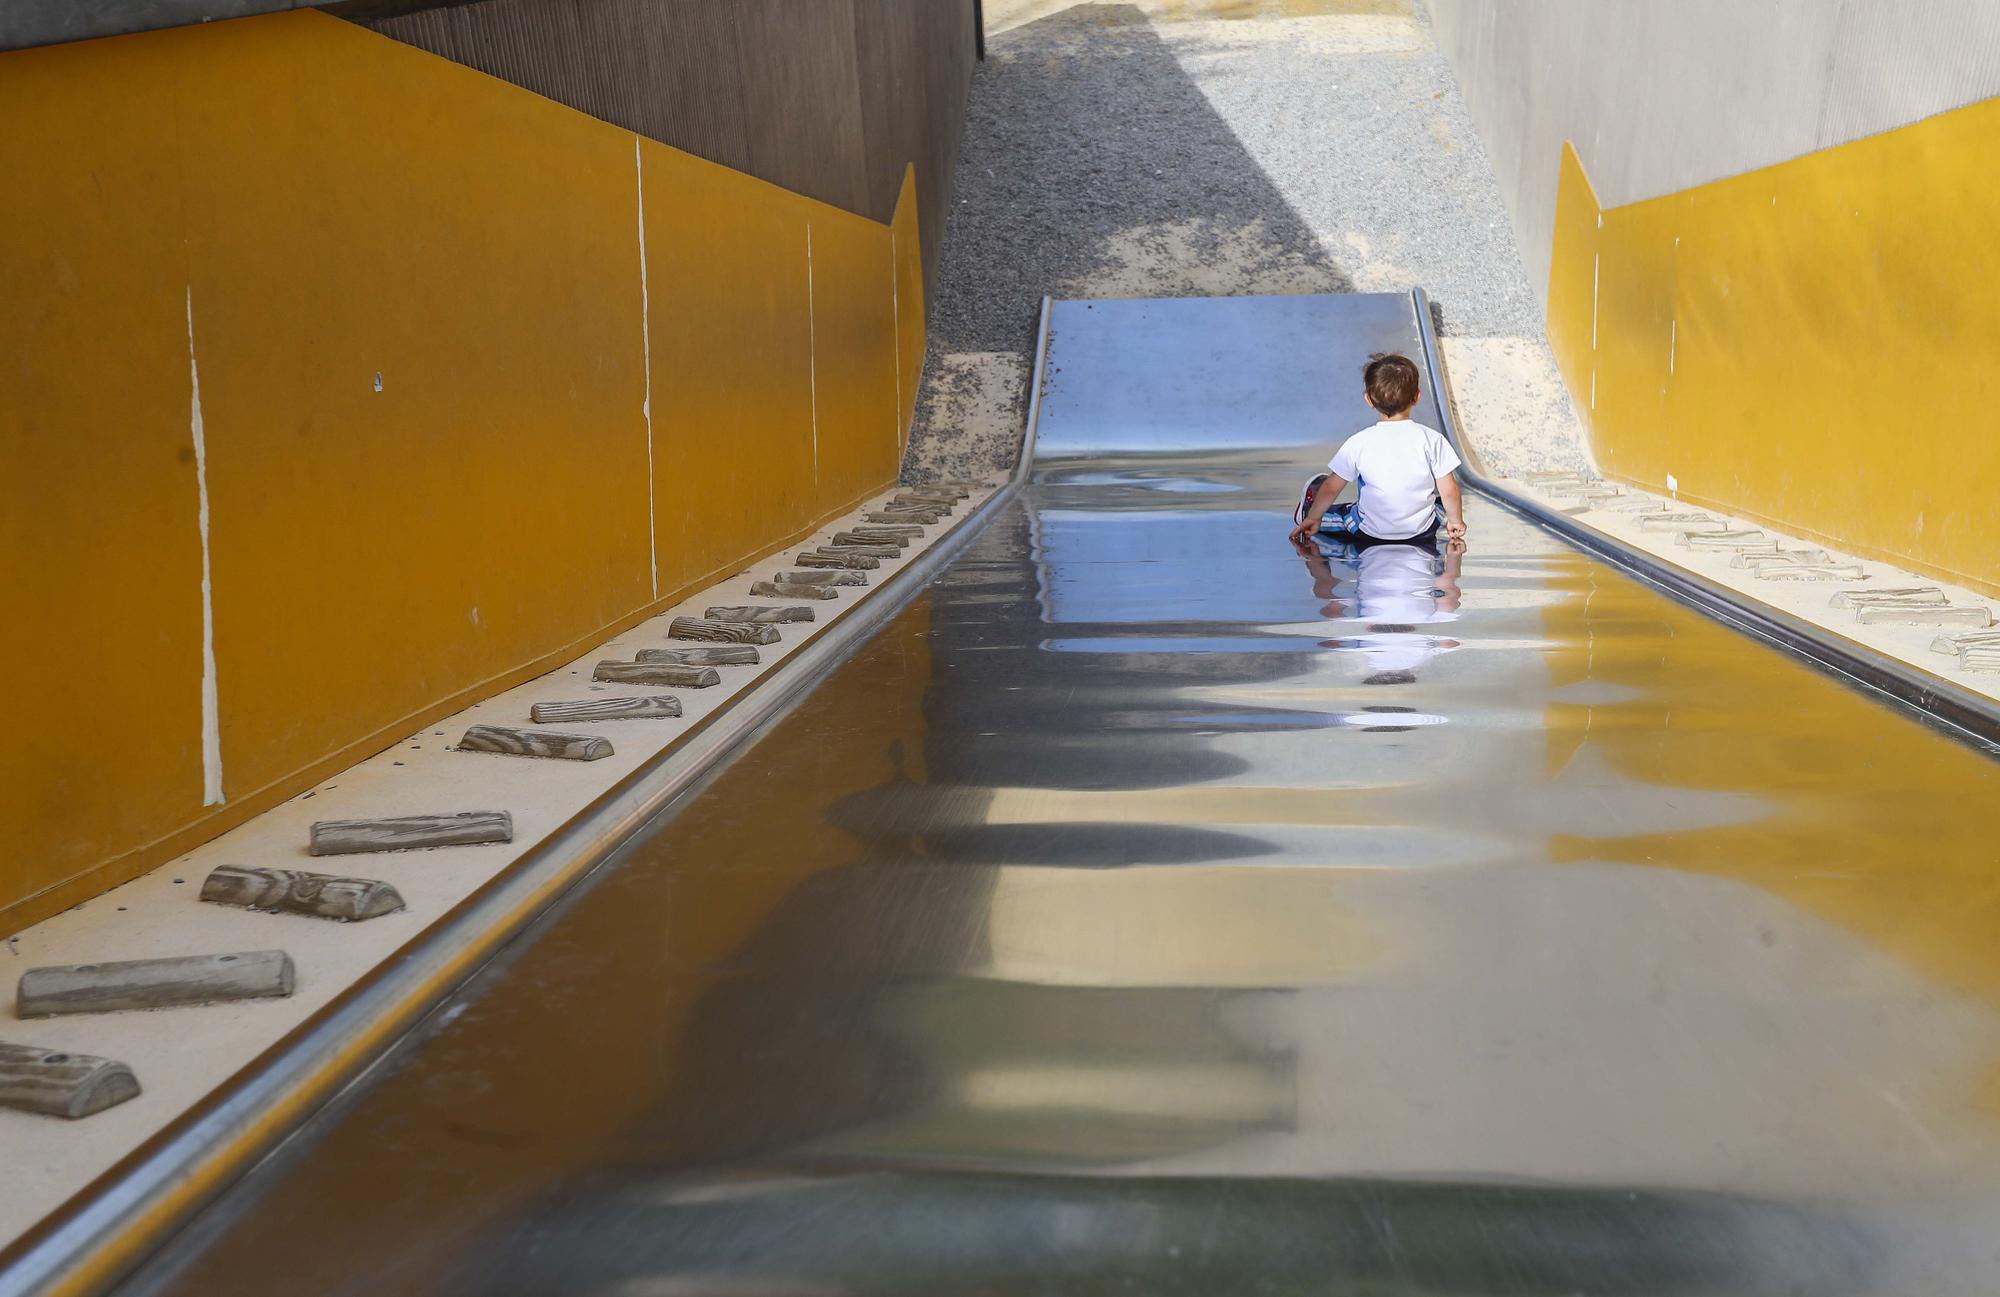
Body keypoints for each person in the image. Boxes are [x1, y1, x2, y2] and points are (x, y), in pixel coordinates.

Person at [1287, 353, 1466, 548]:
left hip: (1370, 533)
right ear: (1417, 397)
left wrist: (1314, 517)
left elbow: (1331, 487)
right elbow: (1449, 490)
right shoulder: (1433, 439)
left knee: (1343, 515)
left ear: (1369, 399)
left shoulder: (1359, 442)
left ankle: (1307, 511)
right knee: (1438, 502)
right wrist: (1455, 521)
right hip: (1422, 531)